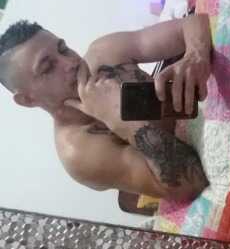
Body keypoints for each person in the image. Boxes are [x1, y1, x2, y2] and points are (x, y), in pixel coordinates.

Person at [0, 16, 212, 202]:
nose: (70, 62)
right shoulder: (79, 152)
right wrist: (122, 120)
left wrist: (196, 55)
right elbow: (194, 182)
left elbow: (192, 24)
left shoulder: (105, 52)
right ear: (28, 99)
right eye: (48, 68)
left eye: (63, 49)